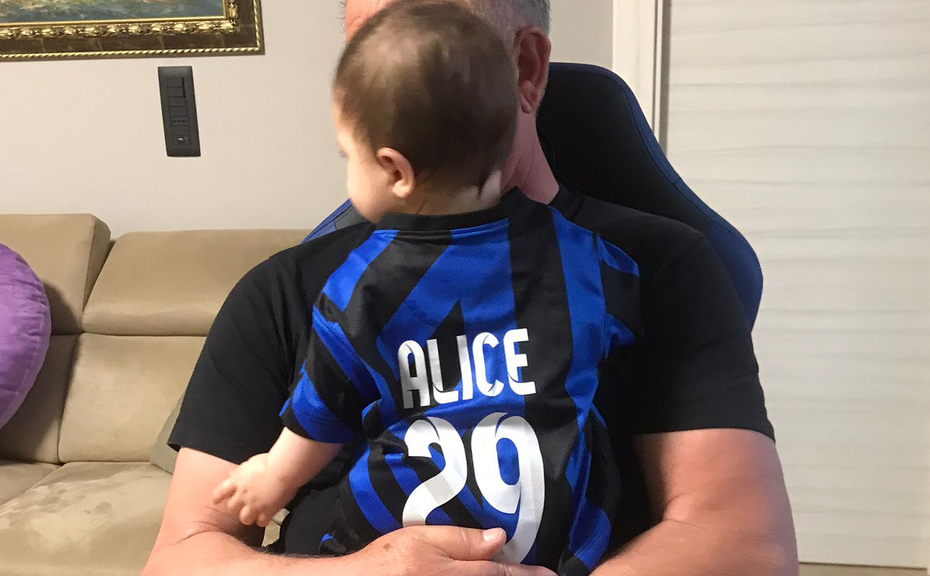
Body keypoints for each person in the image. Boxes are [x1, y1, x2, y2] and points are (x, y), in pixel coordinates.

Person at [143, 1, 800, 575]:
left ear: (525, 69)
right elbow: (181, 558)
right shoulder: (285, 290)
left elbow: (748, 550)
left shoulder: (649, 265)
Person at [210, 4, 637, 575]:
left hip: (395, 536)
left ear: (395, 170)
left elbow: (324, 407)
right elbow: (624, 329)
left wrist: (275, 475)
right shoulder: (585, 256)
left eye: (348, 156)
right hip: (564, 543)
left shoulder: (360, 284)